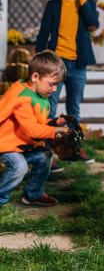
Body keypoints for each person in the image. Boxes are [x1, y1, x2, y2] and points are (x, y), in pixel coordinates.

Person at [36, 0, 98, 165]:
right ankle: (47, 155)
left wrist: (83, 0)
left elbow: (93, 25)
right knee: (50, 109)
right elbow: (44, 33)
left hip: (78, 64)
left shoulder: (86, 2)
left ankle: (73, 151)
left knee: (73, 109)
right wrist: (39, 61)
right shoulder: (54, 4)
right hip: (56, 64)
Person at [0, 51, 69, 208]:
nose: (54, 89)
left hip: (20, 142)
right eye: (51, 84)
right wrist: (56, 131)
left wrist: (53, 122)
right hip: (6, 144)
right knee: (19, 167)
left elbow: (37, 121)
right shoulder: (23, 99)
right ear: (35, 77)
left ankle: (33, 194)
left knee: (44, 156)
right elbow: (33, 130)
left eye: (57, 85)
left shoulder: (37, 94)